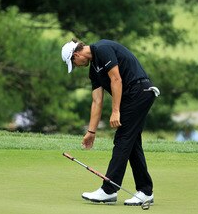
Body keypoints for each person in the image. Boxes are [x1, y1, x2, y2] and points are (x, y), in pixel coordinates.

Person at [61, 39, 160, 206]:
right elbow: (97, 101)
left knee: (122, 139)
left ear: (76, 55)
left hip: (140, 92)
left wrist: (115, 111)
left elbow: (116, 80)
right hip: (132, 97)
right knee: (132, 142)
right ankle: (145, 190)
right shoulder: (94, 71)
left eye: (74, 63)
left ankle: (109, 190)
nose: (76, 66)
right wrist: (91, 132)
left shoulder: (102, 48)